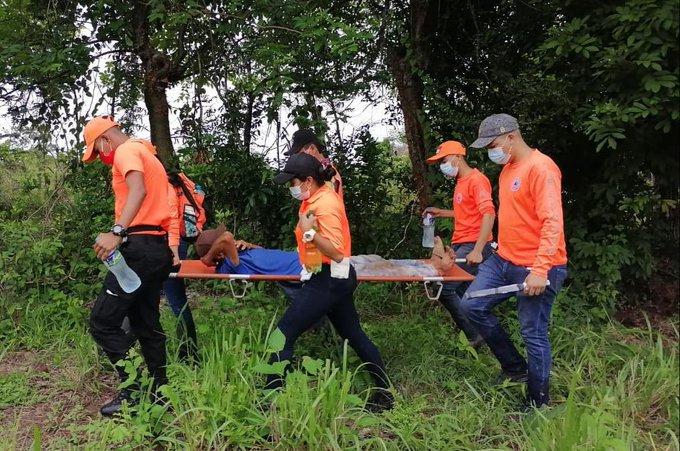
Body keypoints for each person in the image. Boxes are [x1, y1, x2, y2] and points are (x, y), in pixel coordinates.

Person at [271, 152, 394, 412]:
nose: (291, 187)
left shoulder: (326, 204)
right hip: (330, 276)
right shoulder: (313, 198)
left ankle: (269, 401)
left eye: (292, 182)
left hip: (329, 279)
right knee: (353, 334)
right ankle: (385, 394)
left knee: (282, 334)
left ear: (308, 180)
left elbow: (337, 251)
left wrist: (309, 232)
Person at [461, 113, 568, 408]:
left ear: (511, 136)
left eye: (492, 145)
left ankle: (538, 402)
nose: (490, 152)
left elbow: (552, 222)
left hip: (536, 265)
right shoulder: (507, 170)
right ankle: (514, 368)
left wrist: (541, 269)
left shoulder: (541, 168)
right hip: (503, 259)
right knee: (471, 305)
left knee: (533, 332)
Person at [82, 116, 174, 417]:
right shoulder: (147, 153)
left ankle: (133, 392)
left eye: (98, 151)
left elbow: (138, 190)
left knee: (102, 322)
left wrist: (117, 231)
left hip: (139, 248)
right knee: (146, 324)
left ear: (105, 139)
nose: (101, 158)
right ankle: (160, 392)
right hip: (156, 248)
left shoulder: (125, 150)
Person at [423, 140, 496, 348]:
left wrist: (478, 250)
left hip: (473, 245)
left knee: (444, 288)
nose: (442, 166)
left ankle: (475, 336)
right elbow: (468, 212)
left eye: (444, 160)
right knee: (465, 293)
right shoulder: (461, 182)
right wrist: (442, 212)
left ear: (458, 156)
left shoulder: (476, 180)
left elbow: (488, 213)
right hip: (460, 244)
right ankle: (487, 334)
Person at [195, 226, 456, 277]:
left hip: (313, 258)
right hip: (312, 269)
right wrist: (207, 258)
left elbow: (230, 240)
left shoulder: (241, 255)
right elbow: (226, 239)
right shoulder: (229, 265)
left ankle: (429, 262)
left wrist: (250, 245)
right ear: (218, 253)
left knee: (374, 259)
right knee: (376, 268)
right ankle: (436, 269)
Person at [284, 128, 343, 198]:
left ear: (312, 148)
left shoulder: (328, 175)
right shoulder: (320, 171)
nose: (297, 158)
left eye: (300, 154)